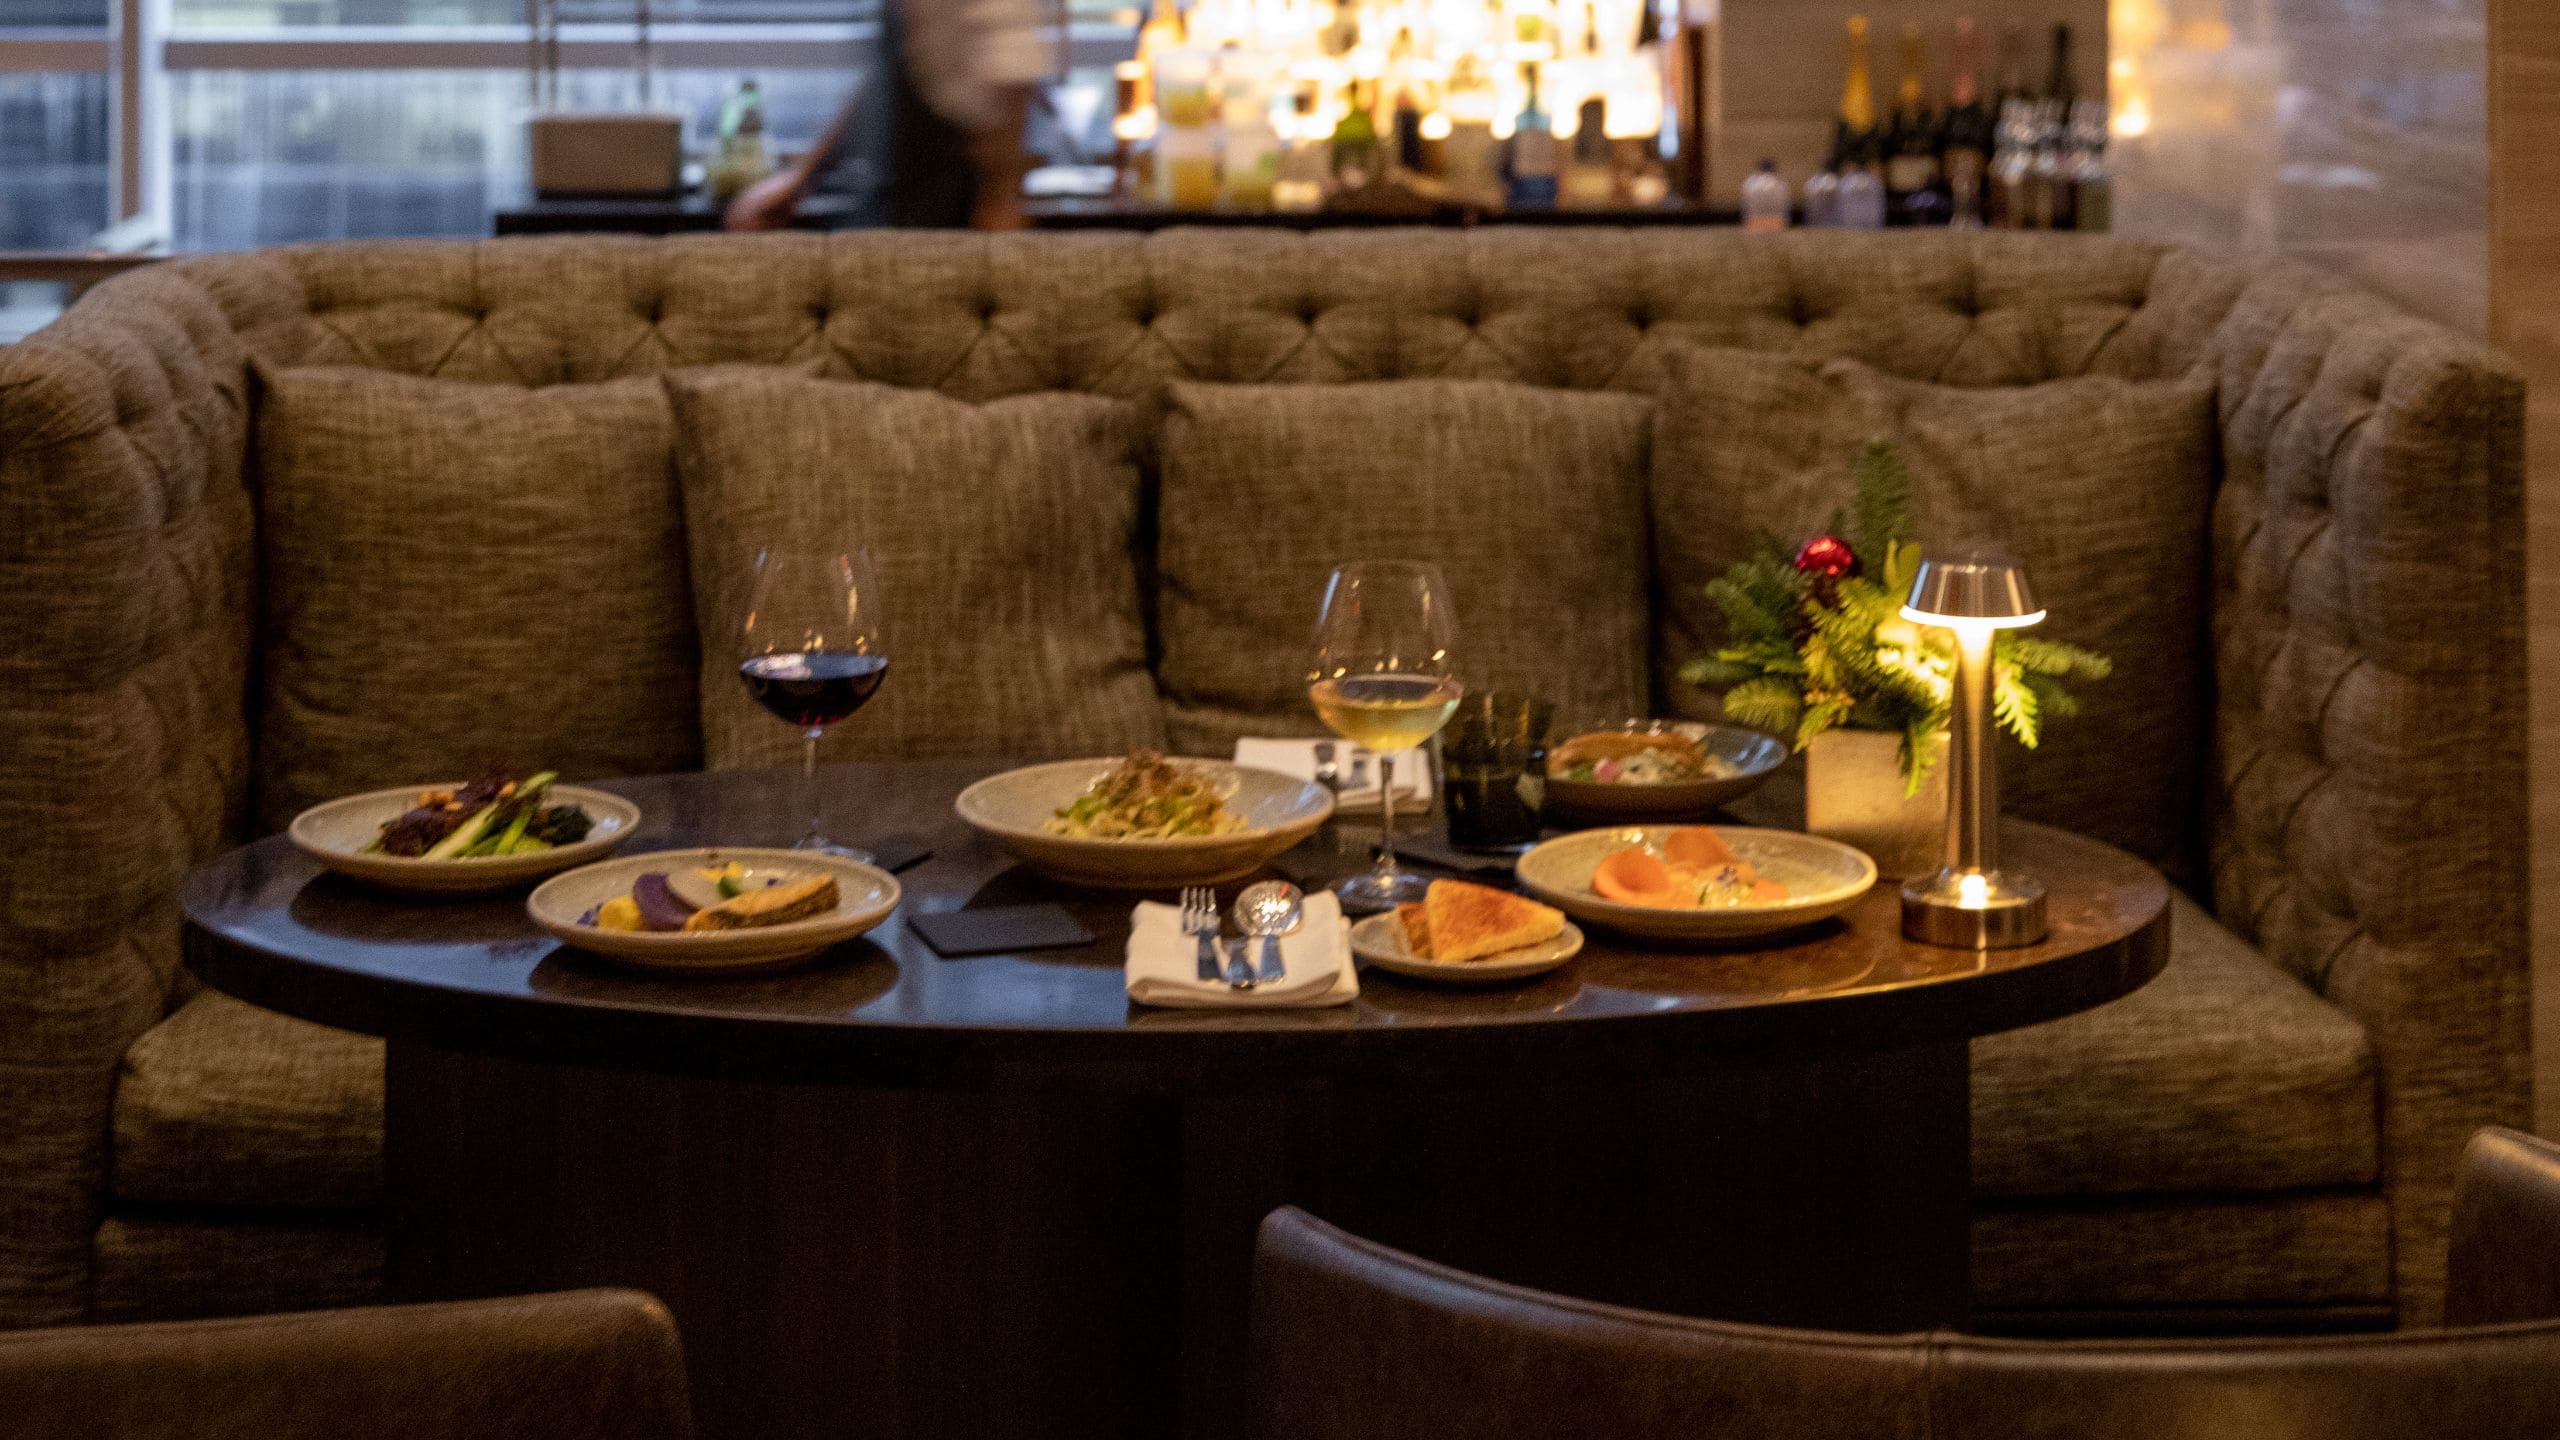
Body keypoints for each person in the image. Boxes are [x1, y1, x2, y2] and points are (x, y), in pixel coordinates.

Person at [725, 0, 1048, 232]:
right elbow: (885, 78)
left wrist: (1000, 198)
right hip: (884, 191)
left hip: (953, 193)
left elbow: (1013, 72)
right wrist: (801, 177)